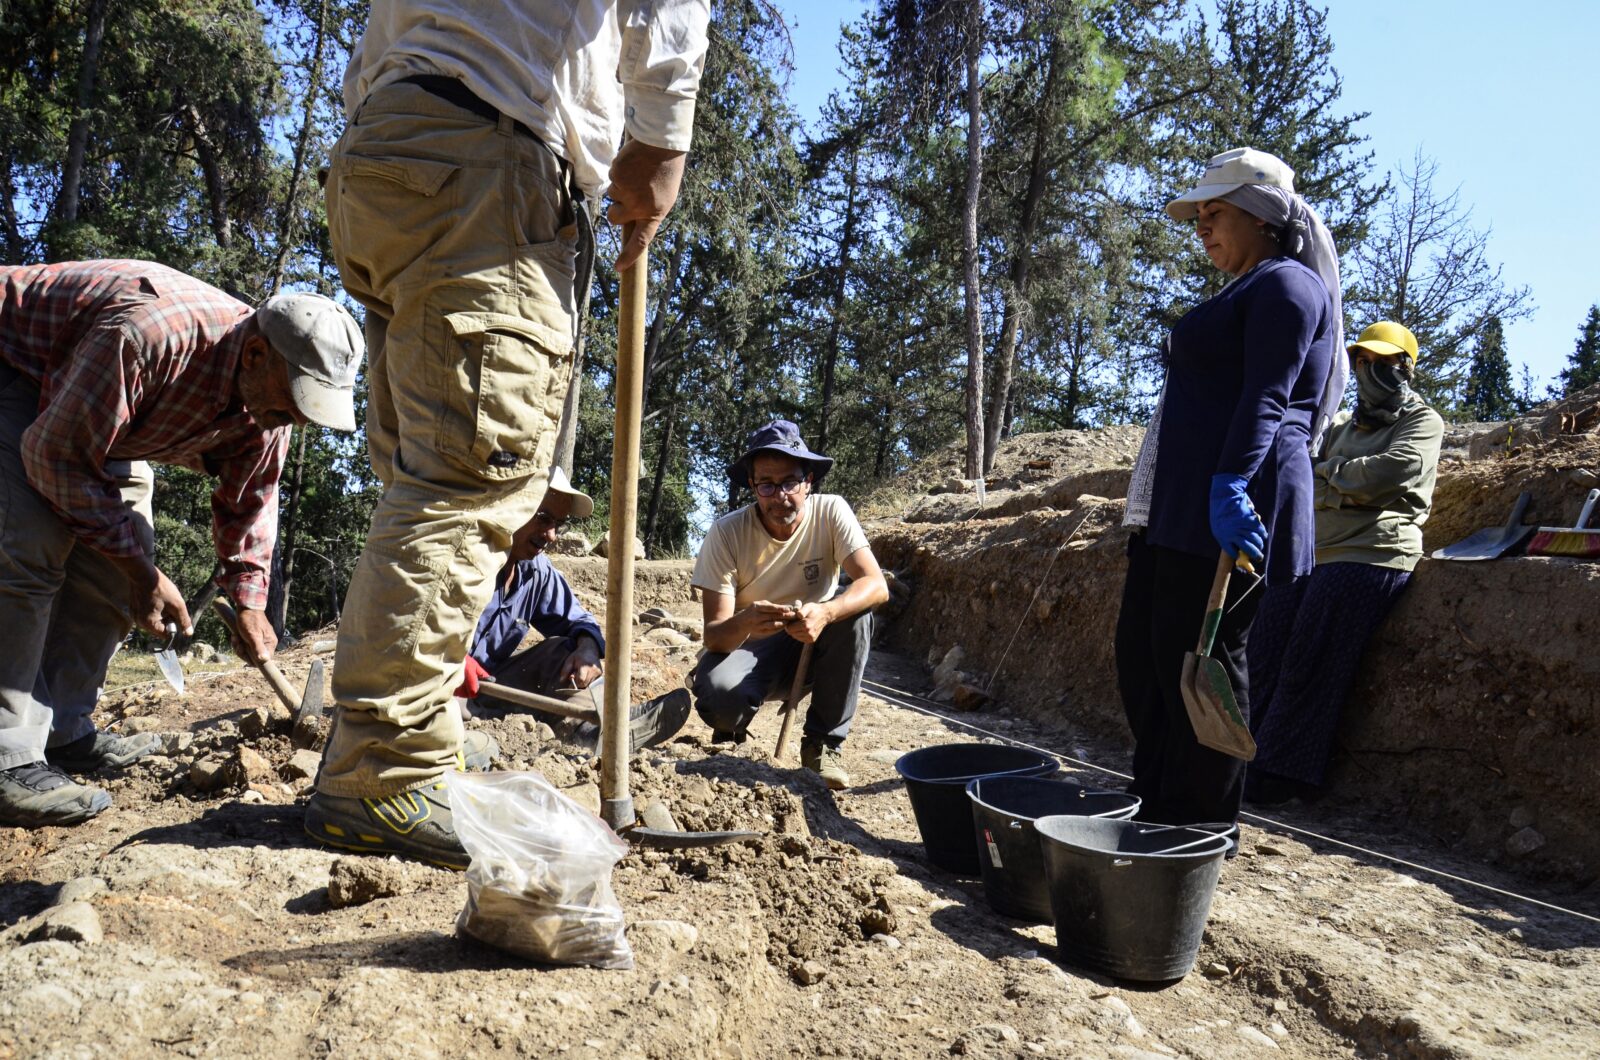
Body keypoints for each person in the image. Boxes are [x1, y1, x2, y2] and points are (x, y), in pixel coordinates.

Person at [308, 0, 711, 867]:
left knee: (424, 469)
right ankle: (381, 771)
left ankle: (417, 732)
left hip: (386, 150)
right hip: (487, 152)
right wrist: (659, 142)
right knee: (466, 477)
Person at [0, 259, 364, 827]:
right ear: (254, 355)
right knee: (27, 547)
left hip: (97, 410)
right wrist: (145, 575)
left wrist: (249, 602)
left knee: (117, 559)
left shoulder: (270, 403)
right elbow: (55, 458)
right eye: (291, 401)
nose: (289, 419)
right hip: (18, 369)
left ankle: (64, 730)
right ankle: (7, 755)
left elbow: (251, 502)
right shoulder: (147, 337)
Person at [1115, 147, 1345, 827]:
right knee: (1149, 655)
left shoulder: (1287, 287)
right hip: (1183, 504)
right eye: (1196, 218)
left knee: (1204, 660)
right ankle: (1156, 799)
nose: (1201, 228)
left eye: (1214, 213)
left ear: (1261, 214)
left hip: (1234, 500)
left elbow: (1268, 397)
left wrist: (1232, 486)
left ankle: (1198, 824)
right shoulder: (1247, 287)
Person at [1244, 322, 1443, 804]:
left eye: (1382, 363)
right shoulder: (1342, 425)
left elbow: (1390, 472)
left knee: (1309, 657)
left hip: (1374, 553)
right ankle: (1238, 756)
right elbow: (1307, 477)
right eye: (1361, 361)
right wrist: (1343, 487)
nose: (1368, 370)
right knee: (1264, 644)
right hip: (1317, 550)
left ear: (1406, 368)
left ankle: (1282, 773)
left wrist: (1330, 478)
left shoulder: (1423, 421)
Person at [690, 420, 889, 790]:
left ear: (808, 481)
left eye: (790, 483)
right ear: (752, 486)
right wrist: (747, 621)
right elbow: (715, 636)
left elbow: (876, 585)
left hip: (817, 645)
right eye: (767, 484)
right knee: (720, 697)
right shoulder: (726, 533)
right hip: (752, 648)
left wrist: (826, 611)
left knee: (855, 613)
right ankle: (729, 724)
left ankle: (822, 745)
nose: (780, 496)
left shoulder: (832, 512)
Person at [454, 467, 691, 752]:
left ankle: (591, 730)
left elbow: (579, 620)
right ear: (514, 504)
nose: (551, 535)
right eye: (543, 518)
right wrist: (447, 655)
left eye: (559, 523)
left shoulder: (534, 570)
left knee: (566, 649)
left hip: (488, 685)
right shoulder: (462, 554)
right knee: (441, 711)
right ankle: (484, 734)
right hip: (435, 684)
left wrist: (588, 647)